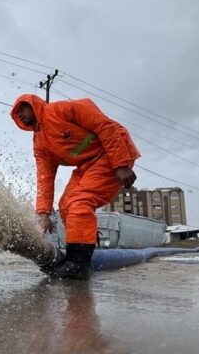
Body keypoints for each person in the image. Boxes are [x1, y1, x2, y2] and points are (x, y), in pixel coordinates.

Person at [11, 94, 140, 279]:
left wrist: (120, 164)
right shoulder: (39, 142)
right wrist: (43, 212)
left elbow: (105, 125)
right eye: (16, 113)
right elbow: (44, 177)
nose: (20, 114)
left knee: (80, 202)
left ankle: (79, 264)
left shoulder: (61, 110)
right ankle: (80, 254)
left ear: (32, 104)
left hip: (111, 153)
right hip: (87, 164)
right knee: (65, 205)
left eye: (22, 108)